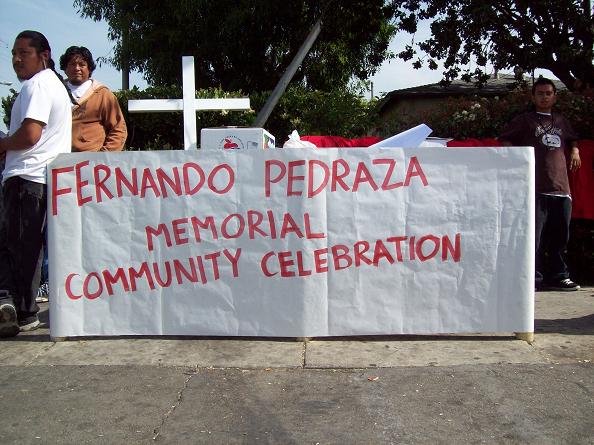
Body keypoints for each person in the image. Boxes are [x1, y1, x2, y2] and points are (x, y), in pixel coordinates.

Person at [0, 31, 72, 337]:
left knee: (17, 247)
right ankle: (22, 309)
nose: (16, 59)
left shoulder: (38, 84)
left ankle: (18, 308)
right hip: (42, 179)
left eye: (23, 53)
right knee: (29, 247)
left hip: (27, 177)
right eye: (14, 54)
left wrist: (2, 143)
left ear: (43, 54)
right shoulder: (53, 84)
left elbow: (30, 136)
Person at [499, 77, 581, 291]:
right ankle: (532, 277)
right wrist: (515, 159)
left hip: (561, 189)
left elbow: (572, 139)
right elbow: (505, 140)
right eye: (540, 93)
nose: (544, 97)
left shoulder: (561, 121)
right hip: (535, 187)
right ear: (533, 96)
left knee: (560, 237)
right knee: (533, 237)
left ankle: (558, 276)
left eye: (548, 93)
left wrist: (575, 150)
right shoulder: (525, 120)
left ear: (554, 96)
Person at [59, 46, 127, 152]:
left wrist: (104, 156)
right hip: (57, 161)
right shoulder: (54, 90)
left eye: (82, 65)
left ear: (89, 69)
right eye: (72, 64)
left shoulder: (103, 95)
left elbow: (118, 129)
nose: (77, 68)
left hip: (91, 163)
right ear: (65, 68)